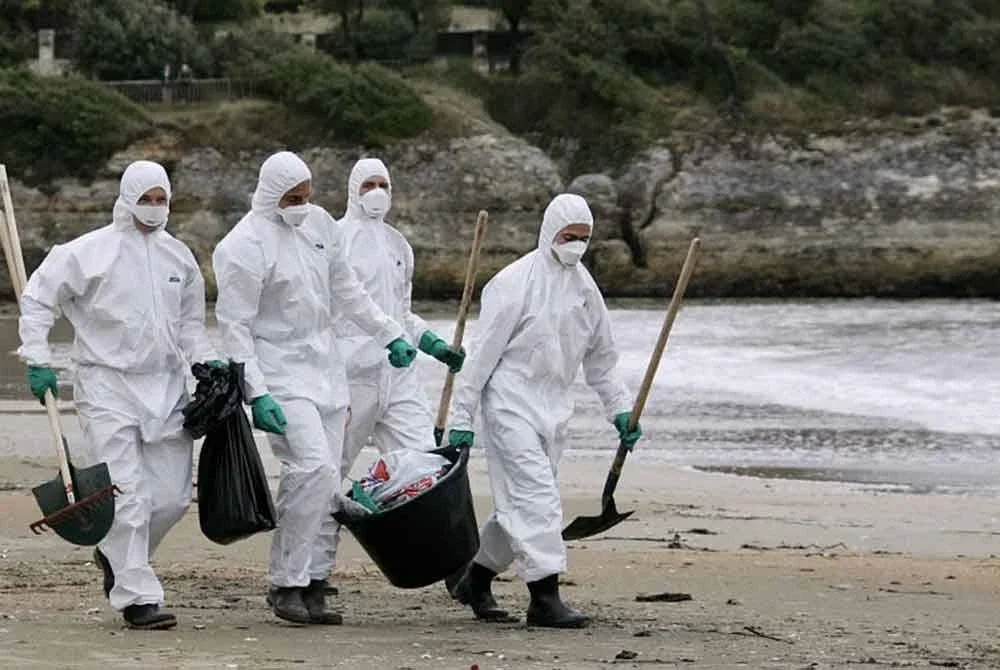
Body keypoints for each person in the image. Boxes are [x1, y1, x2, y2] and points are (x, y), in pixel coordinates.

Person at [212, 151, 418, 626]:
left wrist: (389, 333)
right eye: (292, 198)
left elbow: (348, 290)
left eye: (307, 195)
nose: (302, 205)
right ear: (270, 195)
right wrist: (256, 391)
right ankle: (286, 582)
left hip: (327, 368)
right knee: (312, 468)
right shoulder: (242, 245)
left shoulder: (320, 225)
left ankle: (310, 581)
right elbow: (235, 326)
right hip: (279, 370)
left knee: (324, 480)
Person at [17, 160, 219, 631]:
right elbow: (38, 298)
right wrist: (37, 358)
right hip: (106, 384)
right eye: (146, 199)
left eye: (161, 199)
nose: (154, 207)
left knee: (171, 499)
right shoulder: (87, 252)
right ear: (127, 198)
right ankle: (137, 598)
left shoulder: (179, 258)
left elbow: (191, 326)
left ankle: (117, 557)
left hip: (167, 386)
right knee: (127, 494)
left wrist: (207, 365)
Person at [446, 193, 643, 629]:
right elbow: (480, 358)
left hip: (555, 408)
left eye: (583, 238)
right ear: (550, 231)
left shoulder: (585, 290)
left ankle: (476, 578)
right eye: (568, 236)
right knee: (537, 498)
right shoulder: (513, 283)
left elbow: (601, 360)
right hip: (509, 403)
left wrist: (620, 409)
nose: (575, 246)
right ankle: (544, 597)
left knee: (522, 501)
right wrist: (461, 418)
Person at [330, 157, 465, 556]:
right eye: (369, 185)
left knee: (425, 463)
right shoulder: (336, 240)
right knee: (329, 471)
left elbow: (402, 313)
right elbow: (342, 307)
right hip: (352, 375)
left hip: (399, 375)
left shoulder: (398, 245)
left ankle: (439, 559)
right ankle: (310, 572)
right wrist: (385, 339)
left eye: (383, 185)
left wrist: (432, 344)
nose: (377, 193)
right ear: (353, 190)